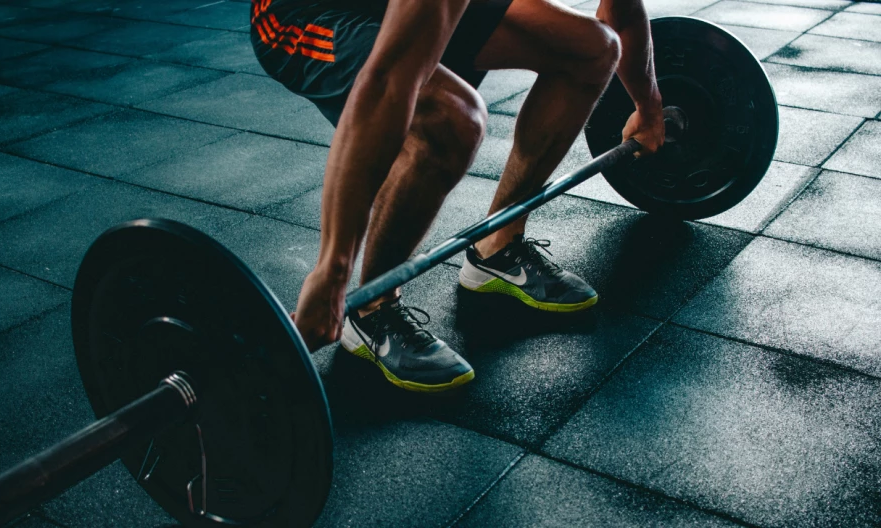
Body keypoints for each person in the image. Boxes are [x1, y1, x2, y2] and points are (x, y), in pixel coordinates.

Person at [250, 0, 665, 392]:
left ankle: (497, 247)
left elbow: (622, 13)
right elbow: (389, 80)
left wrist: (648, 107)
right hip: (305, 13)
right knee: (453, 118)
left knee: (592, 49)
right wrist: (332, 270)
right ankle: (372, 309)